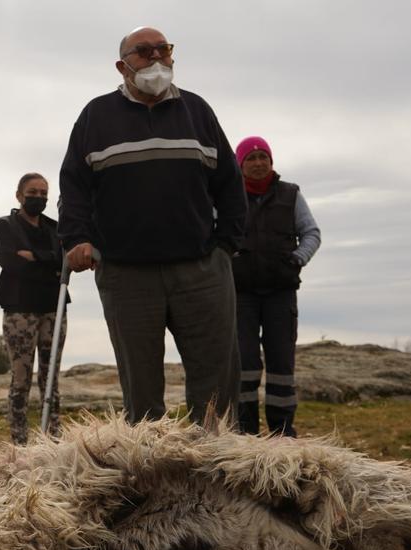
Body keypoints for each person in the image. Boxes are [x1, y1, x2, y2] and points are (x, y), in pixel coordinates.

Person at [58, 26, 247, 425]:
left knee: (216, 383)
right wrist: (76, 238)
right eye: (145, 52)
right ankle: (150, 478)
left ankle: (214, 471)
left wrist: (225, 247)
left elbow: (230, 183)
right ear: (122, 66)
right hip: (127, 274)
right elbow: (73, 187)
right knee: (141, 394)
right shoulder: (96, 116)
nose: (157, 58)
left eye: (164, 49)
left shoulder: (197, 111)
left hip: (201, 270)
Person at [232, 136, 321, 437]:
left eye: (263, 157)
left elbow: (311, 233)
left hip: (281, 293)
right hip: (239, 294)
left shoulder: (290, 194)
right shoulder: (228, 196)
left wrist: (297, 259)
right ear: (240, 164)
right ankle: (244, 433)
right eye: (251, 158)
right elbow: (212, 233)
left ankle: (282, 434)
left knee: (282, 366)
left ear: (271, 161)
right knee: (244, 364)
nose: (258, 163)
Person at [0, 172, 66, 444]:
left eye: (44, 193)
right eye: (33, 192)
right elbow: (10, 263)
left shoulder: (56, 228)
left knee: (51, 380)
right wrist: (49, 265)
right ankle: (19, 443)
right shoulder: (4, 226)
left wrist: (35, 257)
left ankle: (53, 438)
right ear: (19, 195)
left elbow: (63, 262)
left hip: (53, 308)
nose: (39, 198)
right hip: (19, 308)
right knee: (21, 378)